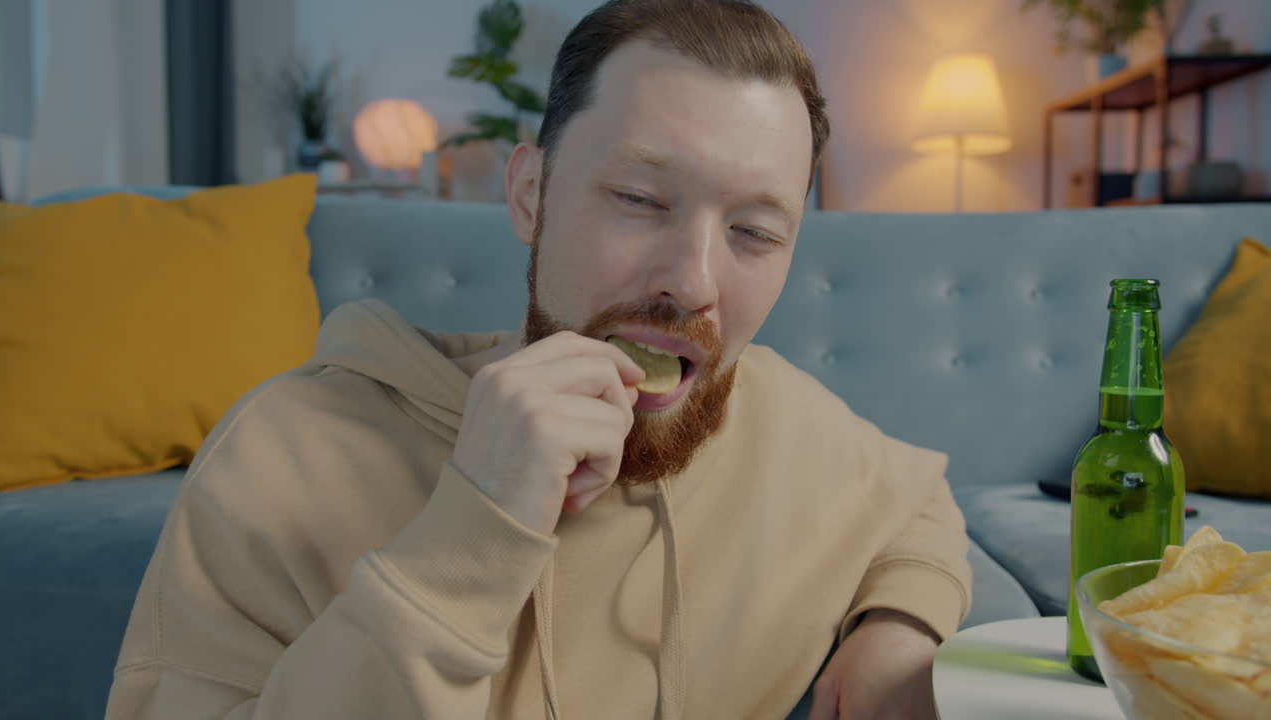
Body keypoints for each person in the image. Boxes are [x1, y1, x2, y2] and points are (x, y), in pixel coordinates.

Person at [105, 1, 972, 718]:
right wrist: (471, 535)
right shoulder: (280, 455)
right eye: (638, 199)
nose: (693, 281)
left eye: (753, 232)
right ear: (530, 193)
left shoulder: (780, 418)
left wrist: (899, 627)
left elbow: (916, 504)